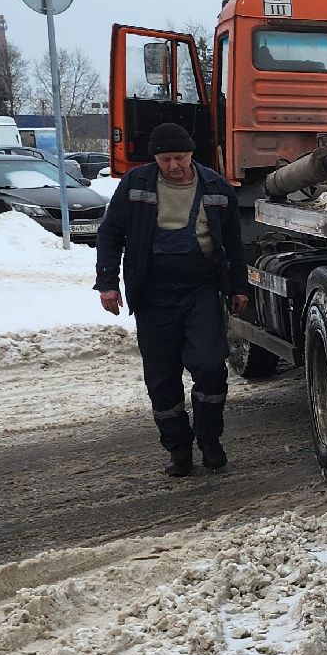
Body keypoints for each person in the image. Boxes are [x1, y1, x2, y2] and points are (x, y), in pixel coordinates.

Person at [94, 123, 248, 476]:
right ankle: (179, 448)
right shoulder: (137, 185)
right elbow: (111, 233)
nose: (174, 166)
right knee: (162, 377)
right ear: (156, 159)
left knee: (209, 366)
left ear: (192, 155)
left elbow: (235, 245)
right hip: (152, 293)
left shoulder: (215, 187)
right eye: (166, 159)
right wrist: (107, 283)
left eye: (180, 158)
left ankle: (210, 440)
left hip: (202, 291)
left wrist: (238, 286)